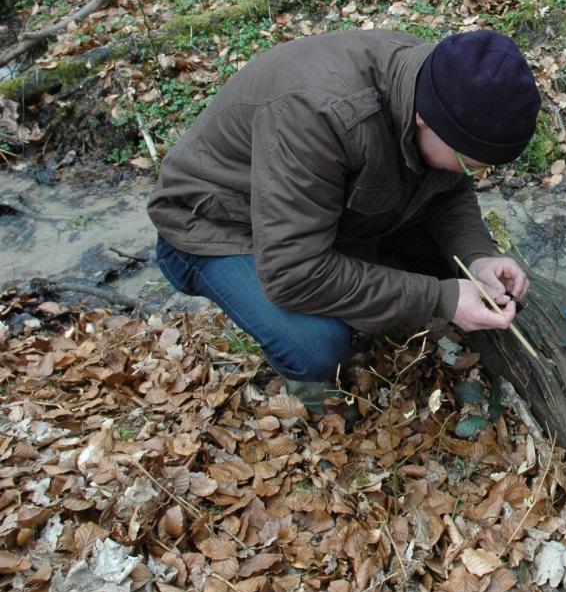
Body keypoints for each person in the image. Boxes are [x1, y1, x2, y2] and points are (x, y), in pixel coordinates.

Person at [148, 29, 541, 415]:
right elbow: (294, 273)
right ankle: (316, 400)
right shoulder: (318, 115)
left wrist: (476, 257)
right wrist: (439, 298)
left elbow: (448, 190)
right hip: (215, 224)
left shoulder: (441, 85)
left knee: (455, 273)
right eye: (471, 164)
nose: (480, 173)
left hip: (320, 210)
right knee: (317, 345)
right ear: (424, 119)